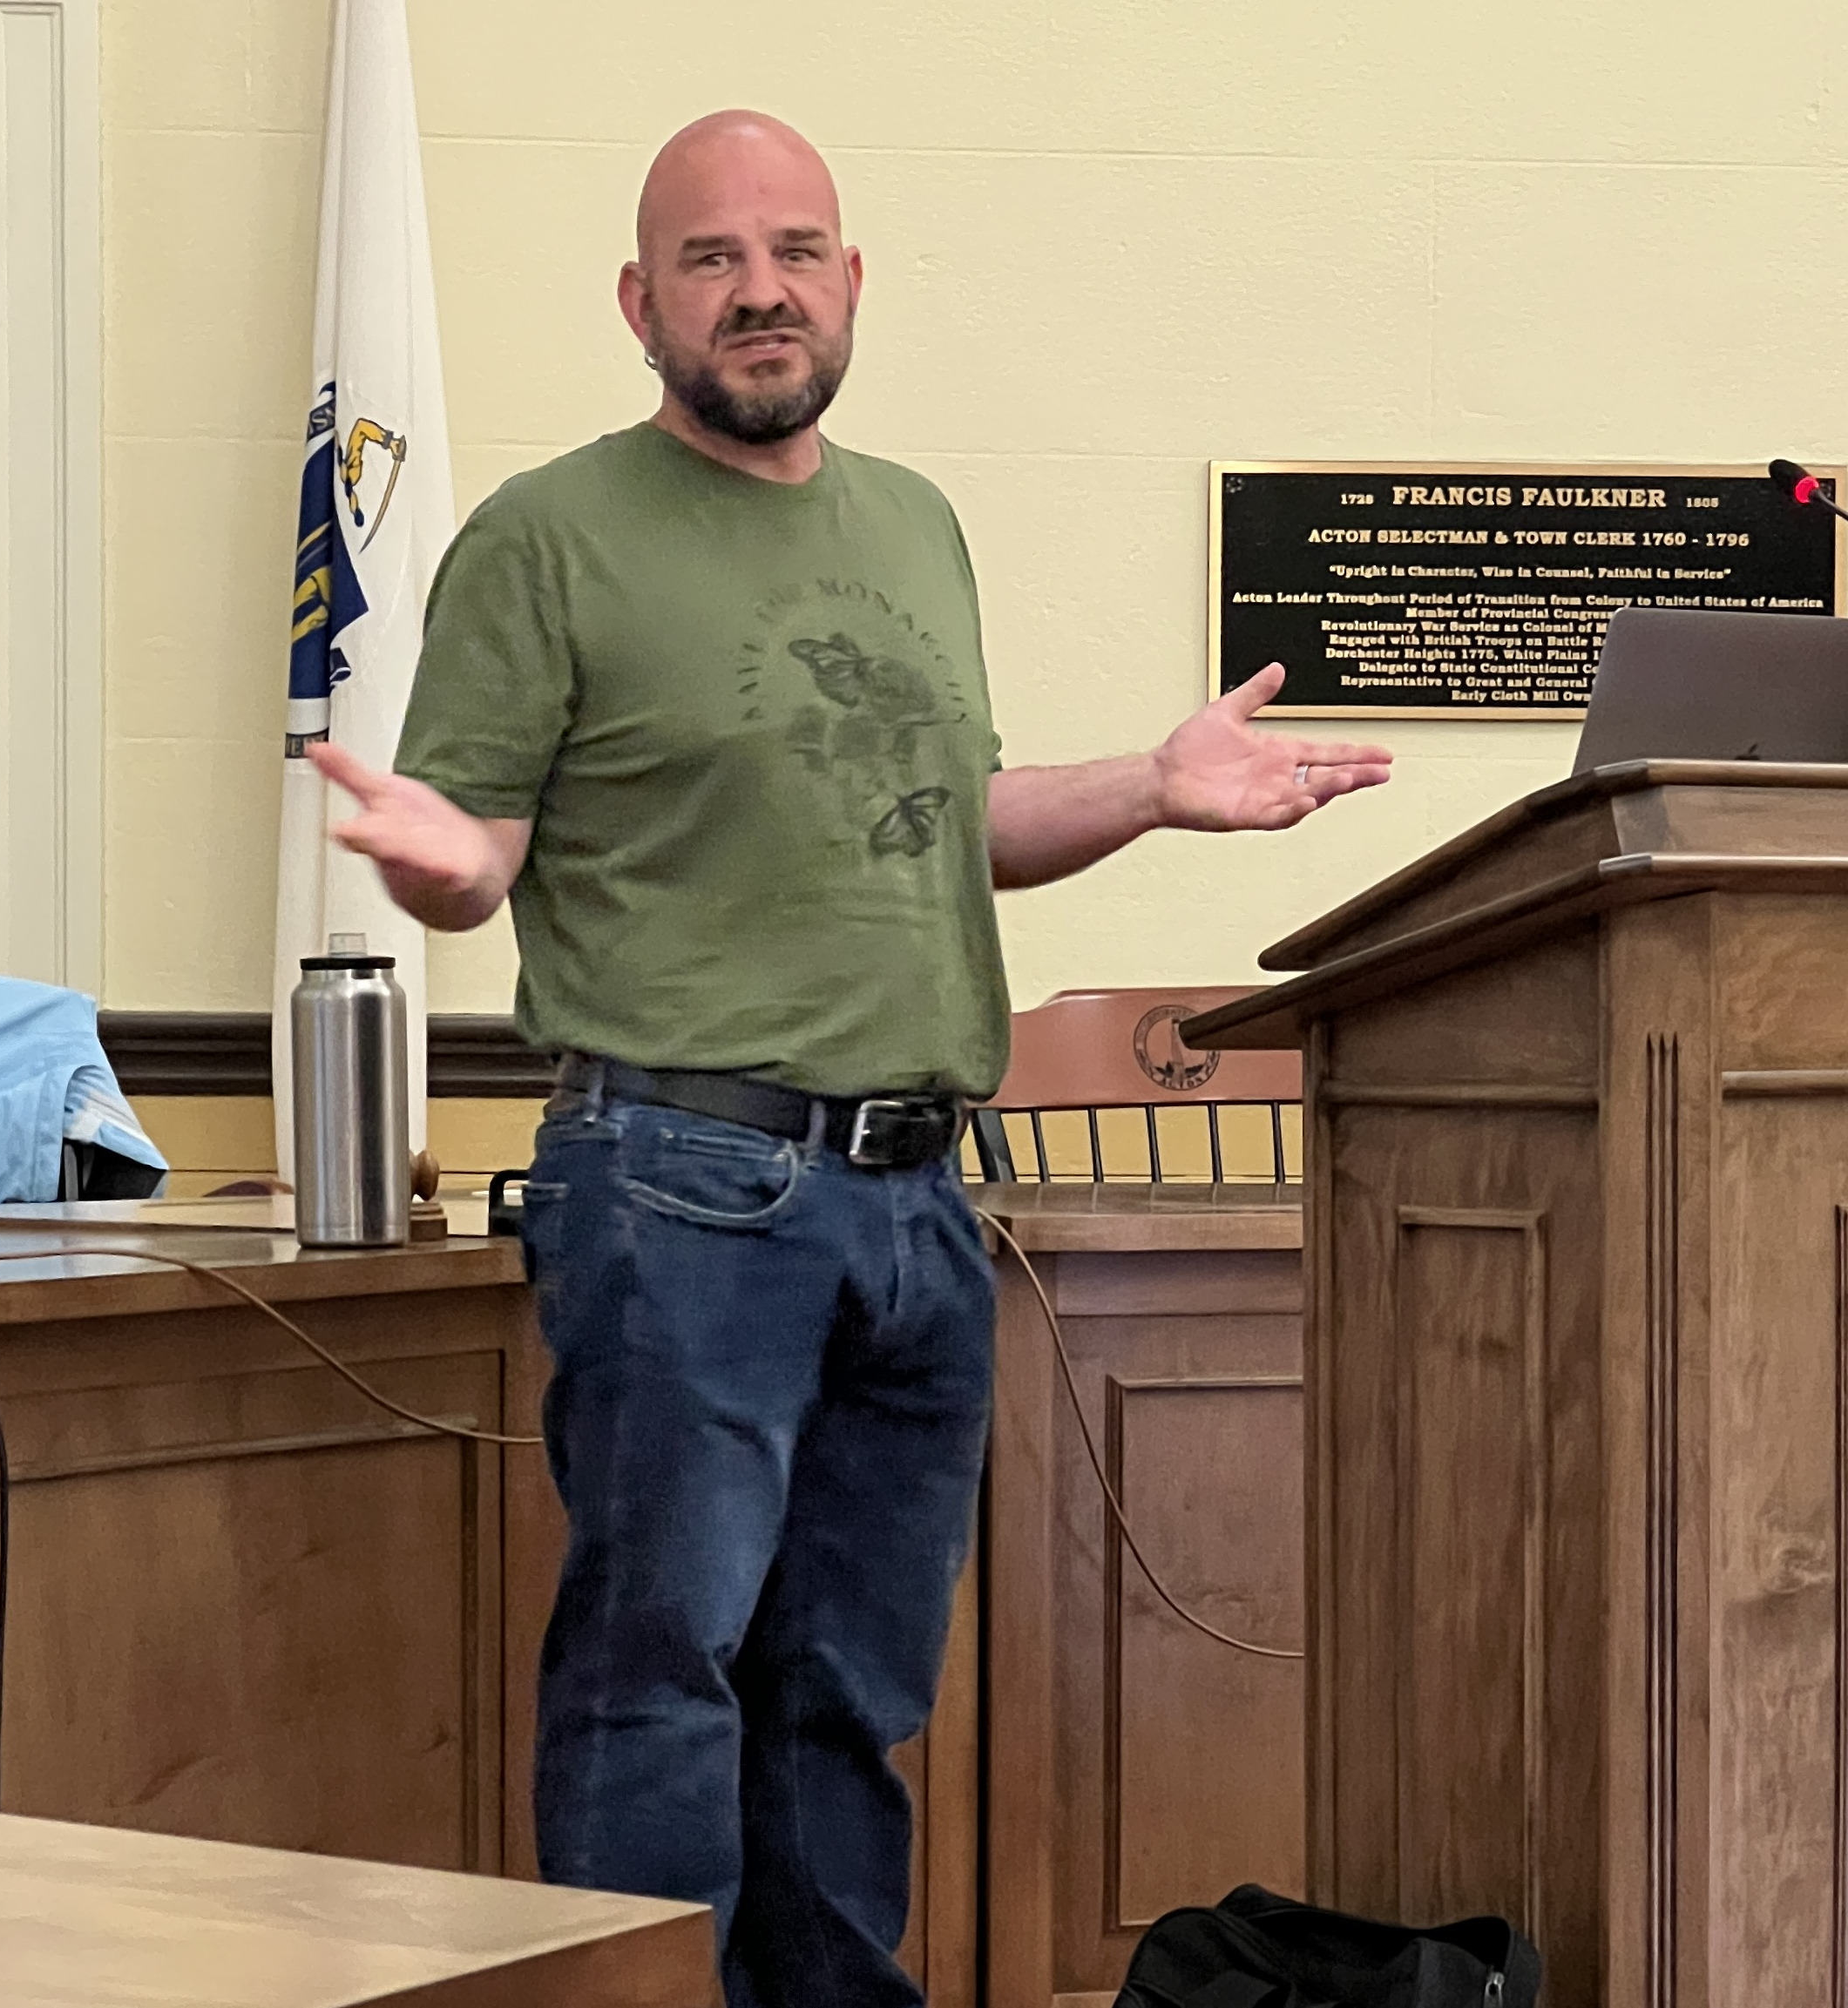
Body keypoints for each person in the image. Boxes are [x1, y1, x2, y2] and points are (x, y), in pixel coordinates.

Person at [308, 108, 1391, 2008]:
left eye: (794, 250)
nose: (760, 290)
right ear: (642, 303)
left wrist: (1150, 784)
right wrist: (439, 856)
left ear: (851, 282)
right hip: (677, 1188)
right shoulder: (548, 535)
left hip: (917, 1205)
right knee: (664, 1681)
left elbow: (945, 808)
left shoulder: (910, 519)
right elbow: (476, 846)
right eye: (713, 260)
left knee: (847, 1694)